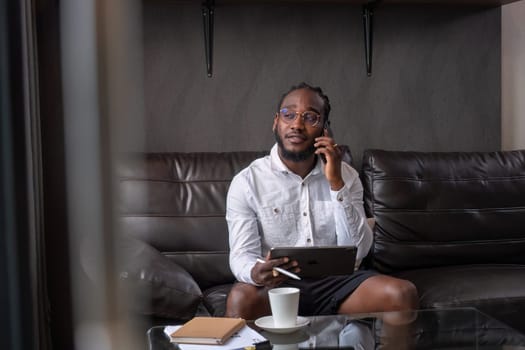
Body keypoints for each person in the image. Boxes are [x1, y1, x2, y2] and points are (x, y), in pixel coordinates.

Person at [225, 82, 418, 320]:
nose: (297, 124)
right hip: (277, 287)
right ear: (276, 122)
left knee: (401, 294)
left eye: (310, 117)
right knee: (240, 299)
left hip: (338, 284)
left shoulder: (346, 175)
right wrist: (255, 273)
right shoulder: (247, 182)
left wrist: (336, 183)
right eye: (289, 114)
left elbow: (358, 252)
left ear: (325, 130)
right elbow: (241, 255)